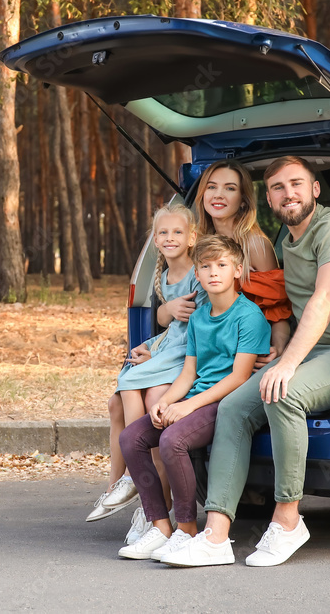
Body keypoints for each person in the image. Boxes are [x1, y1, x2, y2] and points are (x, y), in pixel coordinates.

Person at [163, 155, 330, 568]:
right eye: (277, 187)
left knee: (282, 393)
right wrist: (276, 346)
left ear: (314, 189)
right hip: (304, 349)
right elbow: (276, 304)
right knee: (234, 408)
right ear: (269, 198)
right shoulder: (282, 242)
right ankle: (217, 535)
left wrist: (287, 363)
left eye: (296, 184)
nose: (287, 193)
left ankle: (288, 520)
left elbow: (324, 299)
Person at [116, 235, 270, 560]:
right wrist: (166, 402)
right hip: (196, 397)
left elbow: (239, 377)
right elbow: (188, 374)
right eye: (206, 266)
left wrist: (187, 406)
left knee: (173, 440)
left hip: (225, 403)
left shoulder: (249, 316)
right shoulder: (199, 318)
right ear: (197, 275)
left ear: (238, 270)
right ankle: (160, 526)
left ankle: (186, 529)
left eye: (222, 265)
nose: (214, 272)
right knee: (131, 438)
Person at [88, 204, 208, 545]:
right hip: (169, 348)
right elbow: (171, 326)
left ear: (192, 238)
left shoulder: (197, 273)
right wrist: (154, 342)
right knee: (121, 394)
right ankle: (118, 484)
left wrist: (163, 325)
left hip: (187, 353)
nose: (170, 238)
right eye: (163, 233)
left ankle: (142, 488)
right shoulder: (165, 278)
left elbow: (195, 328)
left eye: (177, 233)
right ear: (155, 240)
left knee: (142, 390)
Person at [193, 160, 292, 366]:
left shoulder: (255, 245)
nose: (218, 194)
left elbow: (277, 309)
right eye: (211, 187)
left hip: (244, 352)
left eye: (230, 188)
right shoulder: (197, 243)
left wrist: (279, 348)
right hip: (203, 346)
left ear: (243, 200)